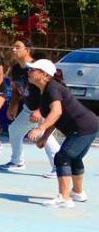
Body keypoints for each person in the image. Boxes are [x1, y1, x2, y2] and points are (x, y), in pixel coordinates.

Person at [25, 59, 98, 208]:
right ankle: (77, 193)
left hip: (82, 126)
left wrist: (39, 129)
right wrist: (45, 137)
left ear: (44, 75)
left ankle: (64, 198)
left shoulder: (52, 88)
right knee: (74, 158)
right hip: (88, 125)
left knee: (62, 157)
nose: (29, 72)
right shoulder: (45, 90)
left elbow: (56, 112)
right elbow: (55, 118)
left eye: (33, 69)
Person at [0, 39, 60, 175]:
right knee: (15, 130)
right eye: (13, 47)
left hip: (44, 108)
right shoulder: (16, 68)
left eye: (18, 47)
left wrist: (39, 110)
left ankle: (60, 167)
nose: (14, 49)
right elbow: (16, 89)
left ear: (27, 50)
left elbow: (47, 90)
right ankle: (17, 162)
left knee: (45, 135)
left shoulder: (36, 68)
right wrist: (13, 105)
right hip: (29, 108)